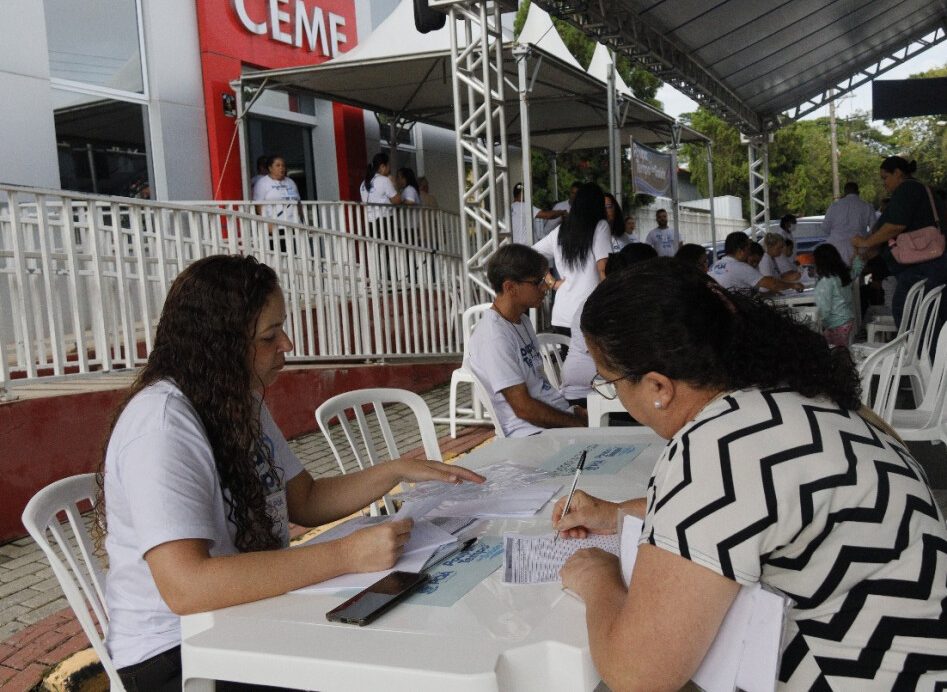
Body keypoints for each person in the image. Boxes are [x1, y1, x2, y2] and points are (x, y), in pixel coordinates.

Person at [554, 259, 947, 691]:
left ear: (657, 387)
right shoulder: (799, 395)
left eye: (609, 383)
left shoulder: (718, 446)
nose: (613, 396)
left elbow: (639, 674)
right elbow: (766, 515)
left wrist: (598, 577)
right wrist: (617, 514)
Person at [95, 255, 483, 691]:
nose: (287, 344)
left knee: (406, 633)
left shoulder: (237, 399)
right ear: (218, 343)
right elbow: (187, 587)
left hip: (244, 618)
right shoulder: (162, 426)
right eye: (268, 336)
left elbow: (307, 500)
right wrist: (344, 555)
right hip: (176, 656)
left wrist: (395, 470)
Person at [466, 244, 586, 436]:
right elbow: (523, 409)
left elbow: (538, 385)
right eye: (538, 281)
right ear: (510, 287)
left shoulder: (522, 320)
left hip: (552, 423)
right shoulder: (494, 337)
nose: (546, 286)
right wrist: (576, 423)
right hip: (530, 434)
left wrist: (575, 413)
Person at [852, 156, 947, 334]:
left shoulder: (907, 189)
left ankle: (923, 359)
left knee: (912, 316)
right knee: (932, 316)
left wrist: (866, 242)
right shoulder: (917, 190)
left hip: (923, 265)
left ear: (898, 173)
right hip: (932, 262)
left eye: (885, 177)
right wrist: (870, 252)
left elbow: (896, 226)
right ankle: (939, 359)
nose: (884, 183)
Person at [559, 242, 659, 406]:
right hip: (589, 394)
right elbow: (623, 355)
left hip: (611, 388)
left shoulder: (627, 299)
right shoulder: (603, 304)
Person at [533, 182, 612, 340]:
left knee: (568, 364)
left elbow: (532, 253)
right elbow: (604, 269)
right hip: (588, 314)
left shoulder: (561, 230)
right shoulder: (600, 226)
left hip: (562, 314)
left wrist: (550, 281)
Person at [709, 231, 804, 295]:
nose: (748, 253)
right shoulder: (740, 267)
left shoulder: (714, 266)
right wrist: (792, 285)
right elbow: (772, 284)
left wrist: (769, 293)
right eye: (748, 249)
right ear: (740, 251)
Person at [812, 243, 860, 347]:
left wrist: (818, 323)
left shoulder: (825, 282)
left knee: (835, 353)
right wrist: (856, 250)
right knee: (841, 350)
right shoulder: (843, 275)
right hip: (846, 320)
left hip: (834, 323)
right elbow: (857, 269)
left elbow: (824, 308)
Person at [822, 181, 876, 264]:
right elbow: (874, 229)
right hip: (859, 248)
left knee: (836, 274)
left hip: (835, 248)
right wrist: (865, 239)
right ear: (858, 192)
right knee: (857, 274)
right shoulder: (867, 206)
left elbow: (825, 228)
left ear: (845, 192)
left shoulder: (835, 206)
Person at [360, 153, 402, 238]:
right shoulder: (384, 180)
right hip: (384, 220)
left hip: (369, 221)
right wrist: (394, 183)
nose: (389, 168)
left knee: (374, 248)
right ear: (382, 167)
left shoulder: (363, 184)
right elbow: (397, 200)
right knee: (385, 248)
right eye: (388, 165)